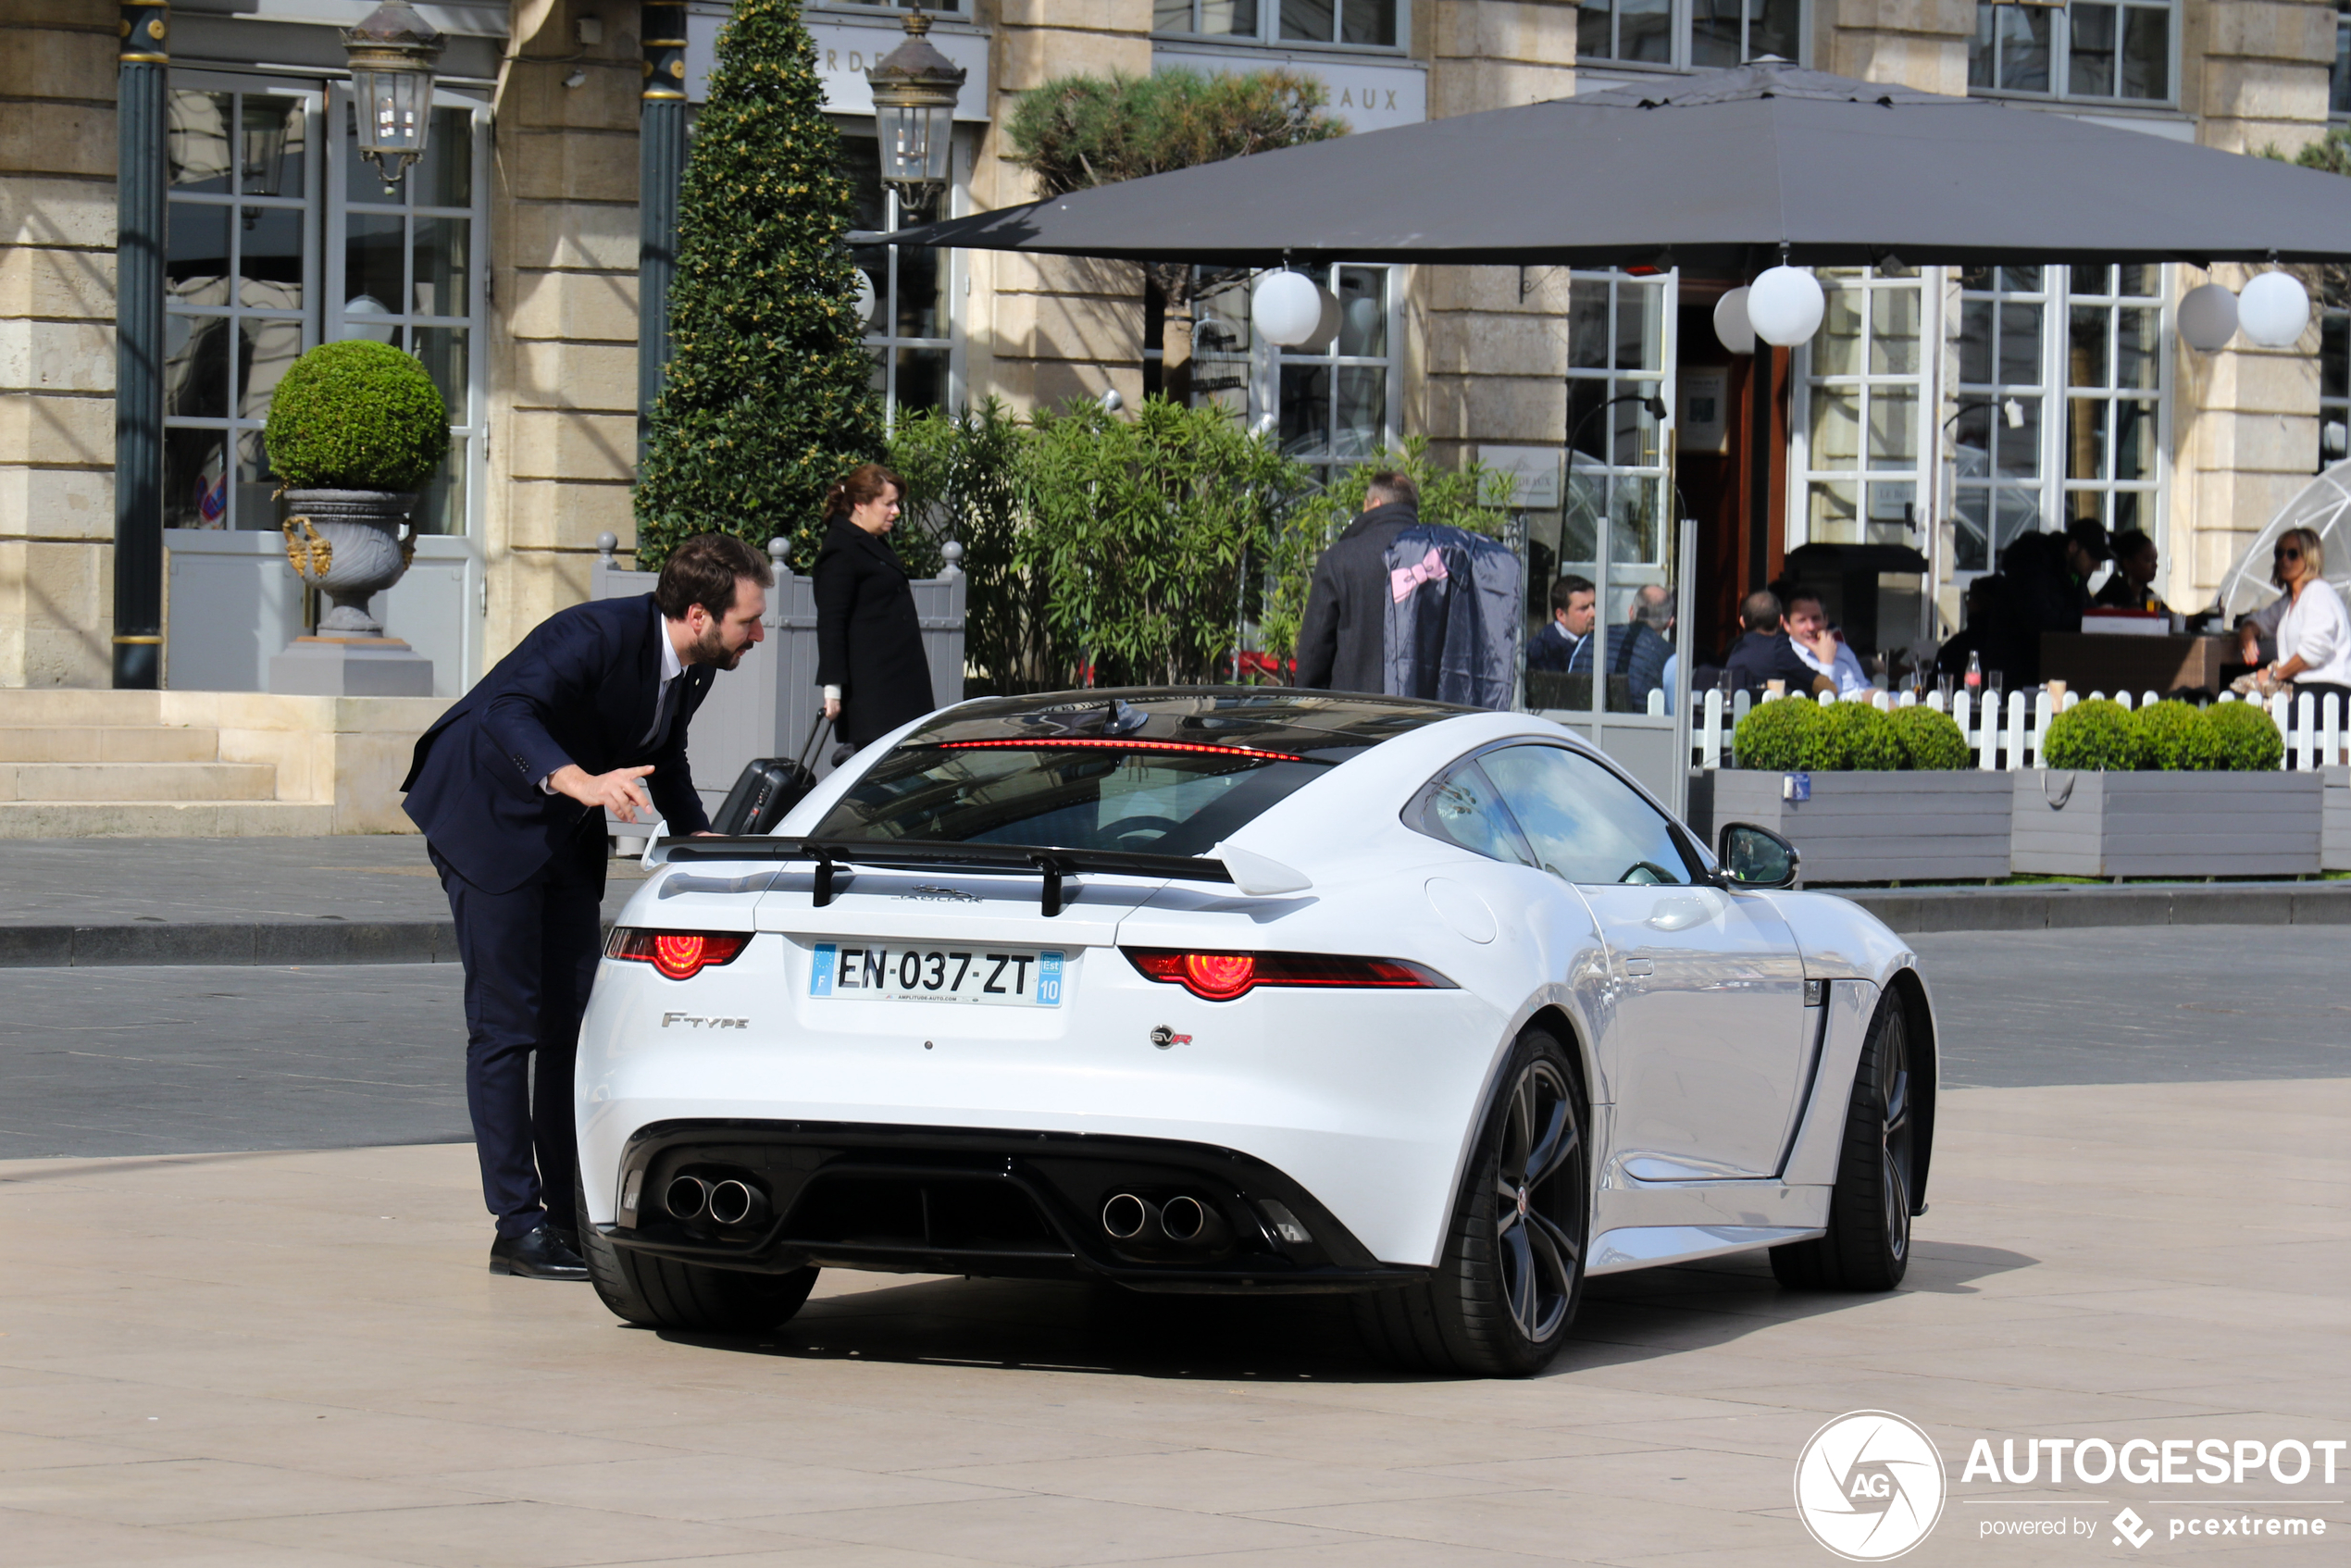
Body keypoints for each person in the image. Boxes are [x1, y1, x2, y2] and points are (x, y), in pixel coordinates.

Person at [401, 533, 773, 1280]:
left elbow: (662, 752)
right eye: (749, 622)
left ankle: (570, 1216)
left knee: (571, 1024)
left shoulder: (694, 668)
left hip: (565, 832)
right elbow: (508, 710)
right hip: (487, 819)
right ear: (699, 614)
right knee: (507, 1027)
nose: (758, 636)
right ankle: (516, 1225)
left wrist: (697, 836)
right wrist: (578, 782)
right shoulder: (591, 634)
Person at [815, 464, 935, 752]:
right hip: (876, 699)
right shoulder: (841, 548)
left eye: (897, 503)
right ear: (860, 504)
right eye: (889, 503)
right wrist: (832, 689)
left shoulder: (871, 543)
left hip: (898, 689)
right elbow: (832, 621)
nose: (896, 511)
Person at [1295, 471, 1423, 691]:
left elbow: (1313, 654)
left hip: (1353, 715)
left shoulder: (1339, 559)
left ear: (1374, 503)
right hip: (1428, 716)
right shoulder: (1439, 560)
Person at [2251, 527, 2351, 703]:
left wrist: (2276, 674)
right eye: (2279, 553)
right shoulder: (2290, 601)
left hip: (2326, 691)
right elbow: (2258, 621)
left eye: (2292, 554)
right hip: (2303, 689)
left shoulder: (2318, 592)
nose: (2284, 560)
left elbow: (2313, 652)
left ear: (2309, 558)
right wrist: (2247, 634)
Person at [1723, 590, 1825, 695]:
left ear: (1742, 622)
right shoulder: (1778, 649)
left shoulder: (1734, 650)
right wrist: (1826, 661)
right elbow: (1821, 685)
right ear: (1781, 621)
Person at [1784, 590, 1872, 696]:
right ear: (1787, 625)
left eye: (1816, 618)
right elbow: (1822, 699)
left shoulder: (1842, 650)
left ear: (1826, 620)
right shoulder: (1788, 657)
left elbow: (1864, 686)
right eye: (1802, 620)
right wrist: (1826, 661)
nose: (1811, 627)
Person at [1525, 574, 1596, 676]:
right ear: (1561, 615)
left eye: (1594, 605)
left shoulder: (1601, 642)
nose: (1593, 613)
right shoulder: (1542, 652)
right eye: (1584, 608)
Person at [2094, 529, 2170, 613]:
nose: (2155, 566)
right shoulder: (2116, 589)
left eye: (2155, 560)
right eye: (2148, 560)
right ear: (2128, 563)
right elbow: (2137, 615)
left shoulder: (2146, 593)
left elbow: (2170, 617)